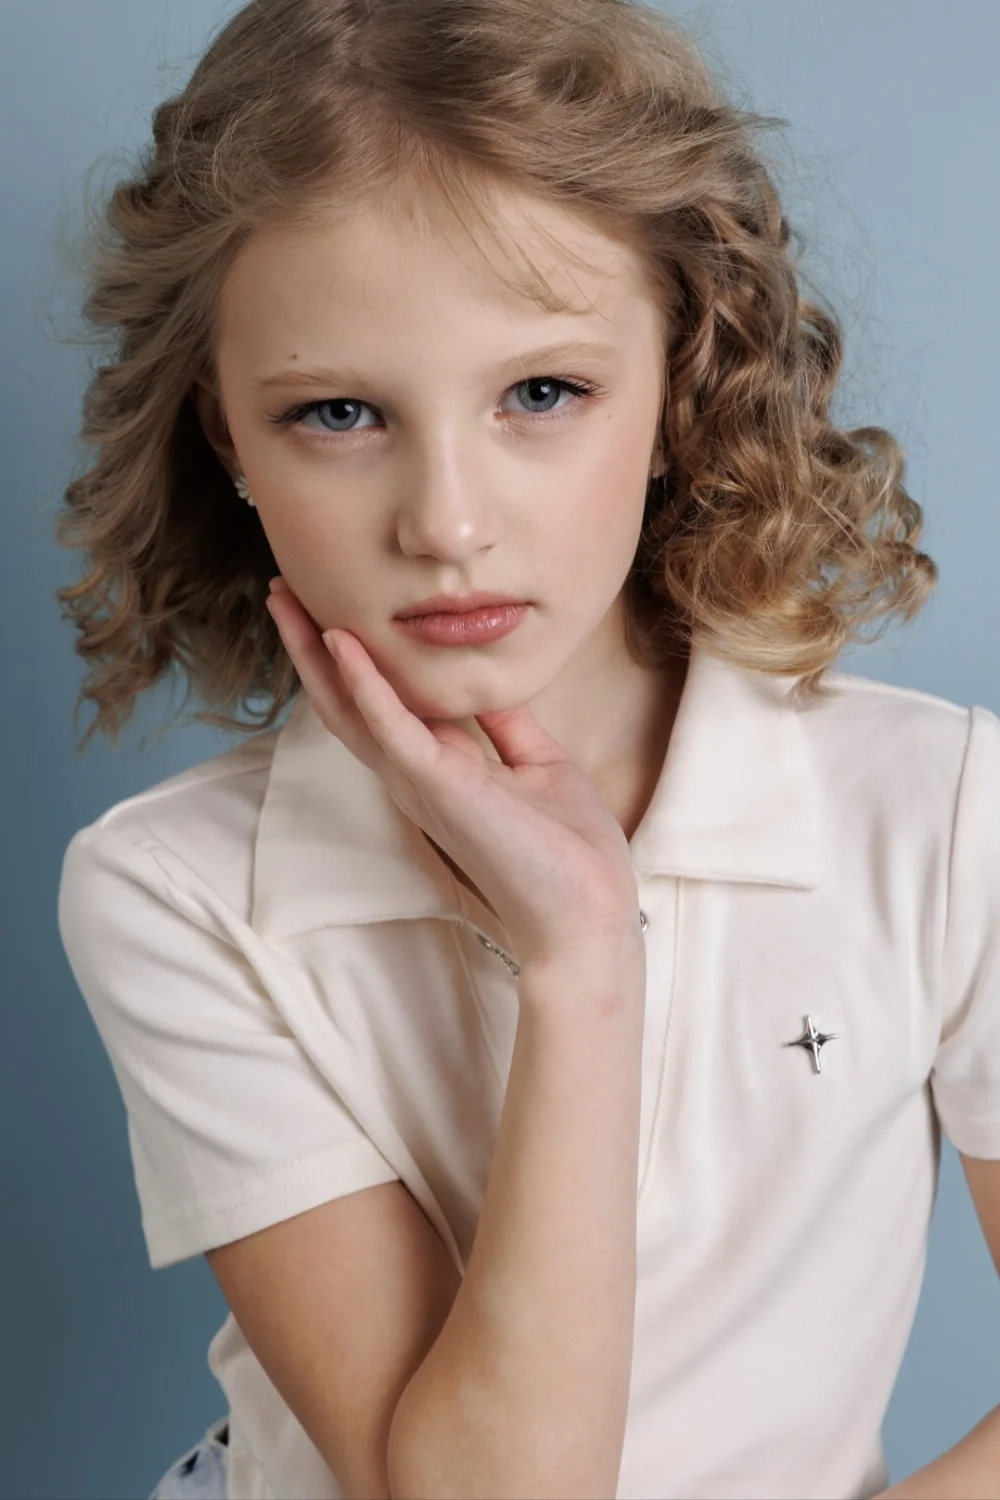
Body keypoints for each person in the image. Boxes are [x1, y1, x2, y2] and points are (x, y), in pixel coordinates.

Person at [53, 1, 1000, 1497]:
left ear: (682, 381)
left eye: (541, 393)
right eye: (339, 413)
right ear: (226, 437)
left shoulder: (943, 814)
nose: (448, 522)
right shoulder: (171, 887)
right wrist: (581, 958)